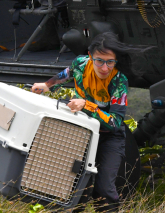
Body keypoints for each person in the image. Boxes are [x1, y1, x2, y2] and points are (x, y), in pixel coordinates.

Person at [31, 32, 151, 211]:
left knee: (104, 190)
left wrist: (87, 105)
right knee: (72, 187)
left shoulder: (119, 82)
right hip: (81, 132)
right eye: (99, 61)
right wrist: (47, 85)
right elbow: (67, 73)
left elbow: (115, 122)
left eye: (110, 62)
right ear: (90, 56)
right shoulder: (81, 64)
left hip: (109, 137)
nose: (105, 67)